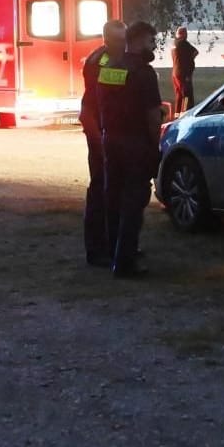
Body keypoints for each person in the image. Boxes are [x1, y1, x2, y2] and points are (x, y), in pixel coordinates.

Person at [101, 21, 165, 279]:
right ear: (138, 40)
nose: (153, 46)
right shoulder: (144, 73)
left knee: (113, 200)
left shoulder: (109, 68)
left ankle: (114, 254)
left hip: (111, 141)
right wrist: (155, 145)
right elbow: (152, 116)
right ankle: (127, 260)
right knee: (133, 203)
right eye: (151, 41)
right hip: (136, 143)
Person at [79, 19, 126, 268]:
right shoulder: (102, 62)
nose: (123, 45)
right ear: (108, 39)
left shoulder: (110, 58)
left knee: (113, 192)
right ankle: (97, 249)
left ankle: (112, 244)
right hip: (100, 134)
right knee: (100, 191)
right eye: (119, 40)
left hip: (109, 132)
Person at [170, 26, 199, 113]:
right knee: (186, 95)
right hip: (184, 73)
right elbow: (195, 52)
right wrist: (190, 59)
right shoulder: (183, 43)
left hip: (175, 72)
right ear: (184, 34)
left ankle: (177, 113)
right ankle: (186, 112)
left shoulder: (174, 43)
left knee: (179, 95)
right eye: (186, 33)